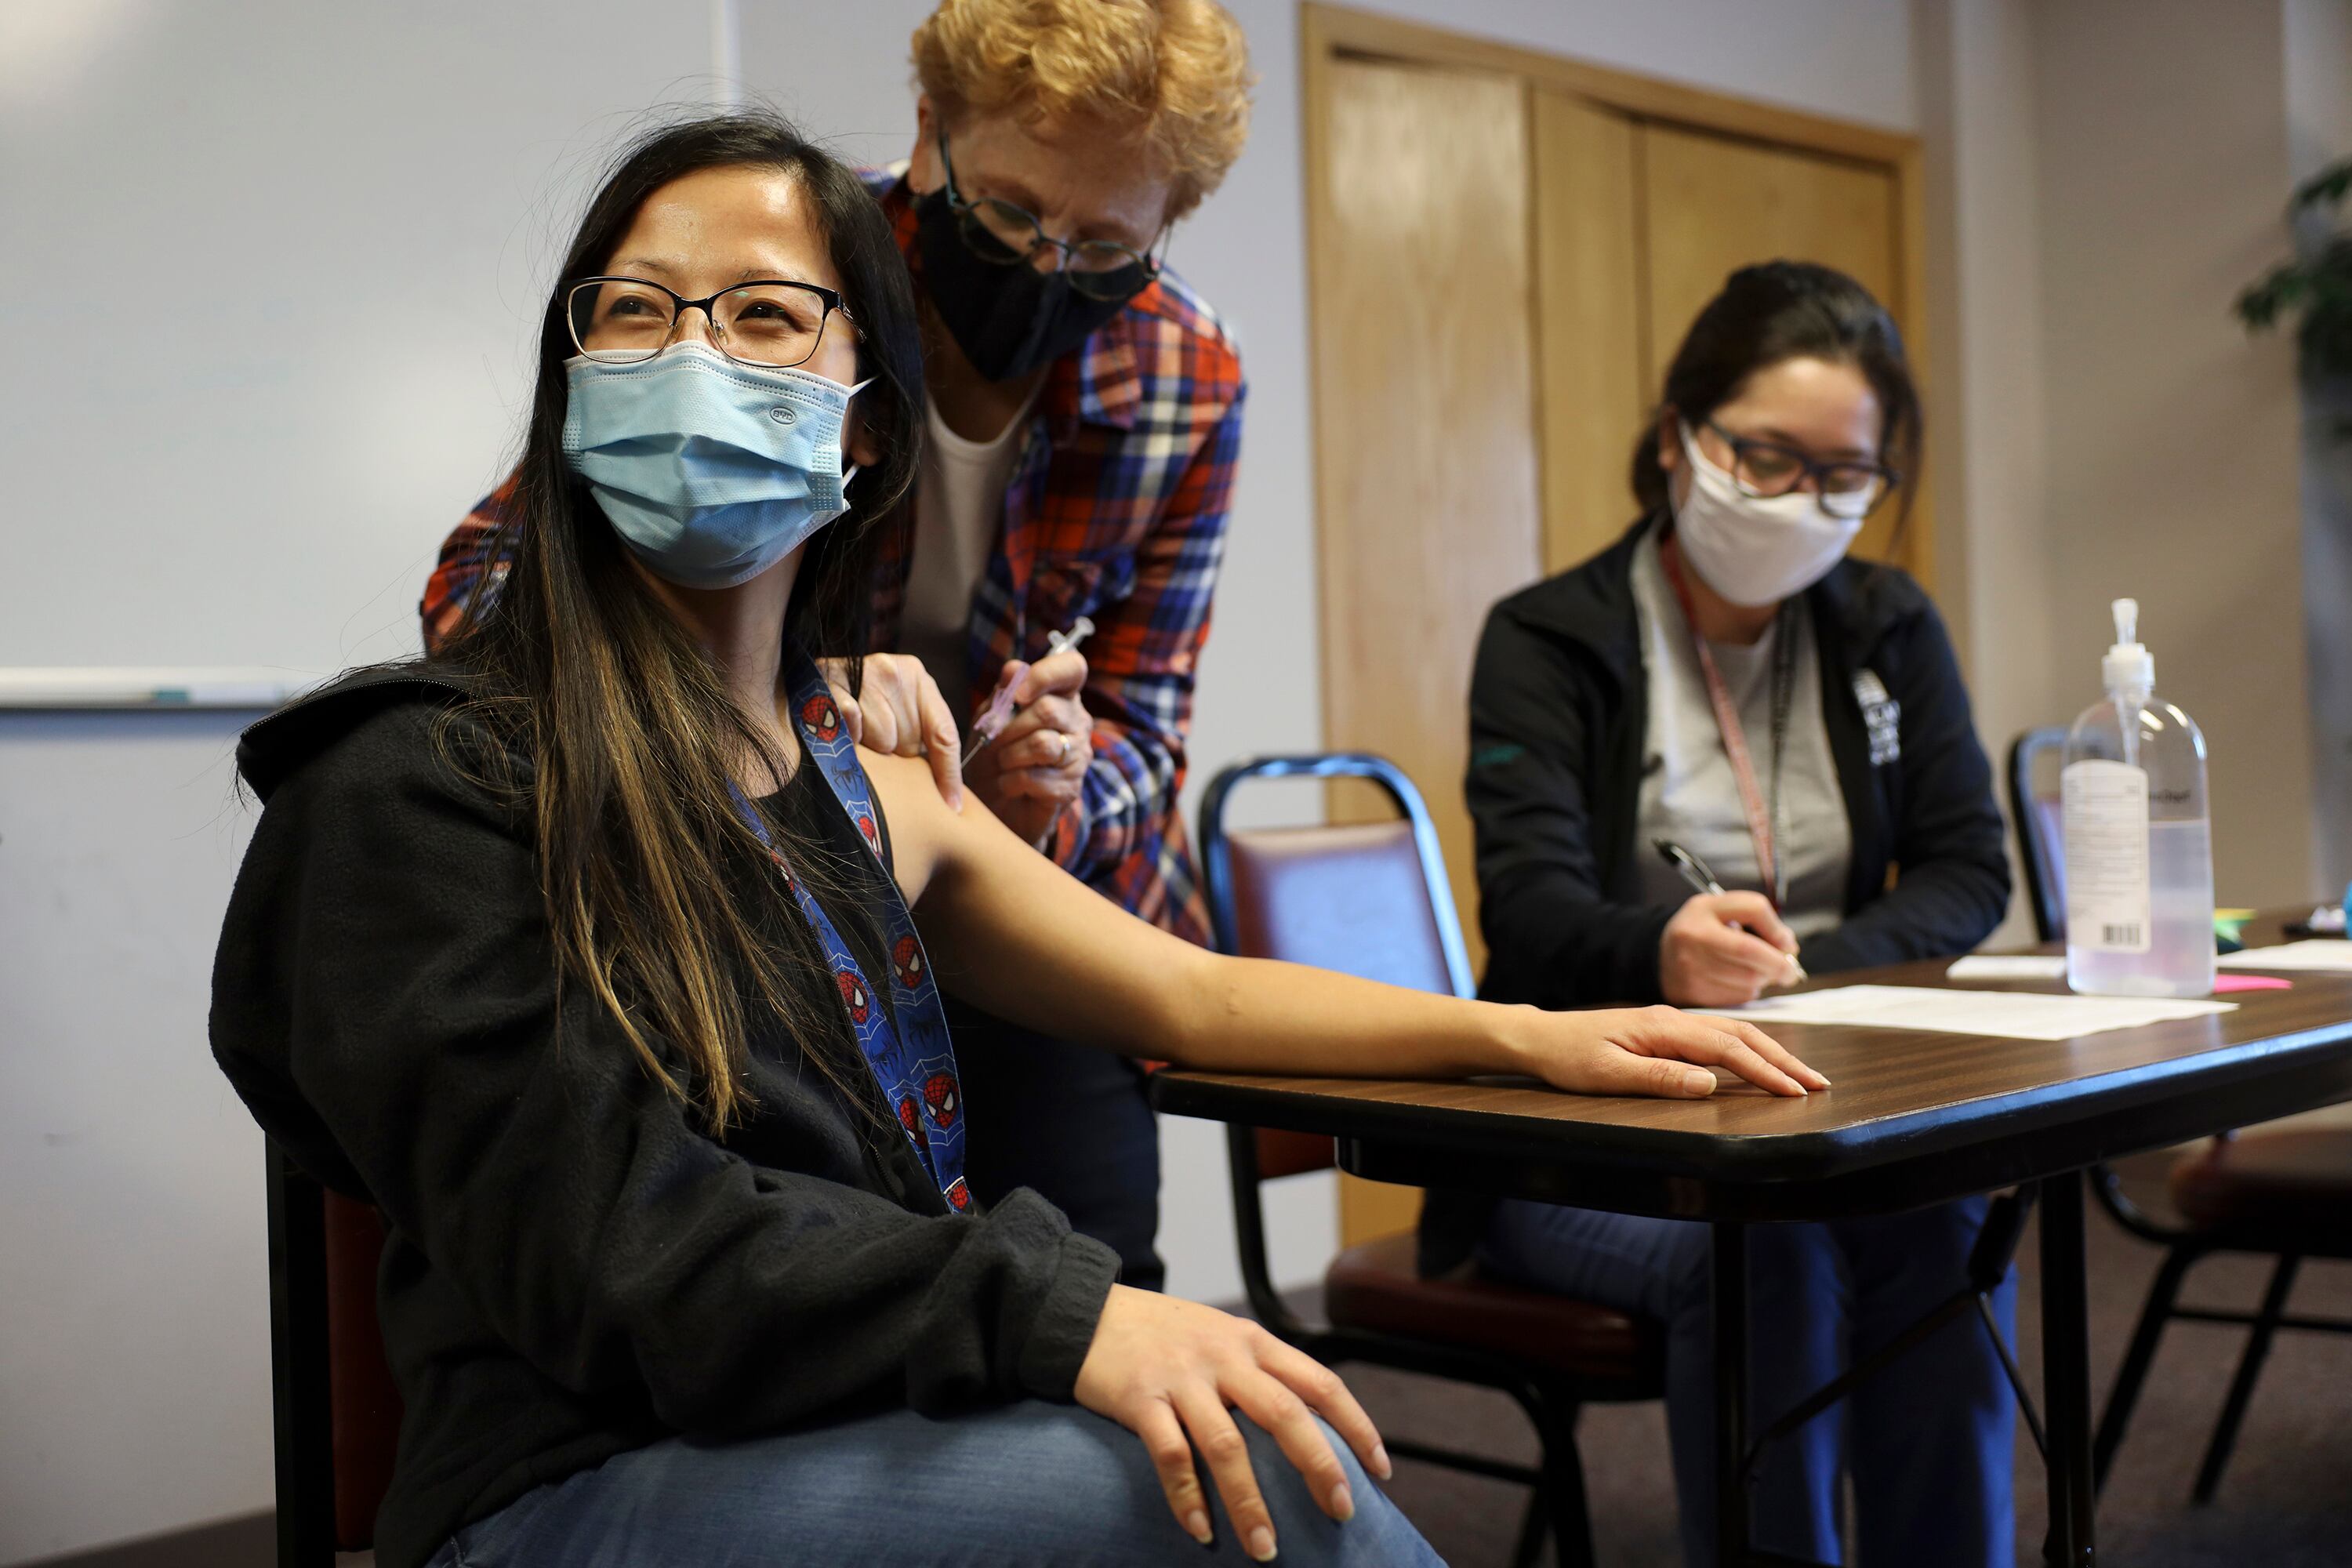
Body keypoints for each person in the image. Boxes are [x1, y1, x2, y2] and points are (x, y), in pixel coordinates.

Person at [215, 114, 1826, 1568]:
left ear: (861, 427)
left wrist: (1533, 1036)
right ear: (570, 393)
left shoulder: (867, 775)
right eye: (635, 311)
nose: (691, 356)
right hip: (576, 1485)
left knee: (1229, 1454)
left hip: (839, 1425)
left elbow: (1193, 997)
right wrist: (1066, 1316)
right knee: (1201, 1491)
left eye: (766, 312)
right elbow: (626, 1254)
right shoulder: (424, 785)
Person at [418, 0, 1255, 1292]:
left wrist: (1052, 794)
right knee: (816, 1298)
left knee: (1104, 1294)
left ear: (1165, 229)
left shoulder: (1188, 377)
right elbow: (483, 587)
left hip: (1024, 898)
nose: (1044, 270)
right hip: (767, 899)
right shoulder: (792, 282)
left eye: (1100, 250)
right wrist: (793, 701)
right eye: (1013, 217)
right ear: (932, 132)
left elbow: (1147, 720)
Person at [1421, 262, 2016, 1568]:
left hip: (1828, 1092)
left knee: (1949, 1216)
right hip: (1582, 1123)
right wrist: (1661, 954)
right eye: (1768, 454)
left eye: (1843, 474)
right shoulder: (1548, 639)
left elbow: (1973, 866)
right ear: (1681, 436)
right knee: (1772, 1248)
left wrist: (1793, 975)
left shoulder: (1885, 625)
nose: (1805, 499)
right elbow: (1526, 913)